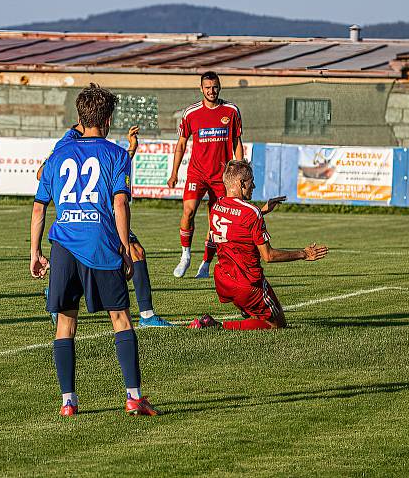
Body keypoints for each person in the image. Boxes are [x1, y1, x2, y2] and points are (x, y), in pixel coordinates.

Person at [30, 84, 158, 417]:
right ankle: (133, 397)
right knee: (121, 319)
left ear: (79, 117)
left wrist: (34, 252)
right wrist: (126, 248)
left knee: (64, 322)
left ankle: (68, 402)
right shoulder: (116, 155)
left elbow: (39, 208)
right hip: (100, 244)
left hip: (64, 247)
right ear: (109, 118)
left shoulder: (58, 155)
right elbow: (119, 203)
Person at [37, 124, 173, 328]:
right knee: (129, 253)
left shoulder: (96, 140)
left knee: (137, 252)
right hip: (94, 213)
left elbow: (107, 171)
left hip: (105, 210)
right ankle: (145, 315)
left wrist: (131, 150)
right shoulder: (69, 138)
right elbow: (41, 173)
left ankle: (146, 314)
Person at [189, 160, 323, 330]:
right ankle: (217, 325)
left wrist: (262, 210)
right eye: (251, 181)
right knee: (277, 325)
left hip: (223, 281)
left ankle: (246, 309)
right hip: (247, 285)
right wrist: (304, 253)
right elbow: (269, 256)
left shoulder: (217, 206)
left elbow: (236, 220)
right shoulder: (251, 213)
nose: (254, 185)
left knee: (251, 304)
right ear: (241, 183)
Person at [168, 71, 244, 279]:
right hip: (197, 174)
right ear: (201, 89)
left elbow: (237, 142)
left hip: (222, 176)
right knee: (188, 211)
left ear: (220, 87)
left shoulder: (231, 110)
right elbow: (181, 143)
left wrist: (239, 172)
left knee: (216, 221)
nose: (211, 91)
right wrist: (174, 172)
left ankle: (206, 263)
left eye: (215, 87)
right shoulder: (191, 113)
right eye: (207, 87)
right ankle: (185, 255)